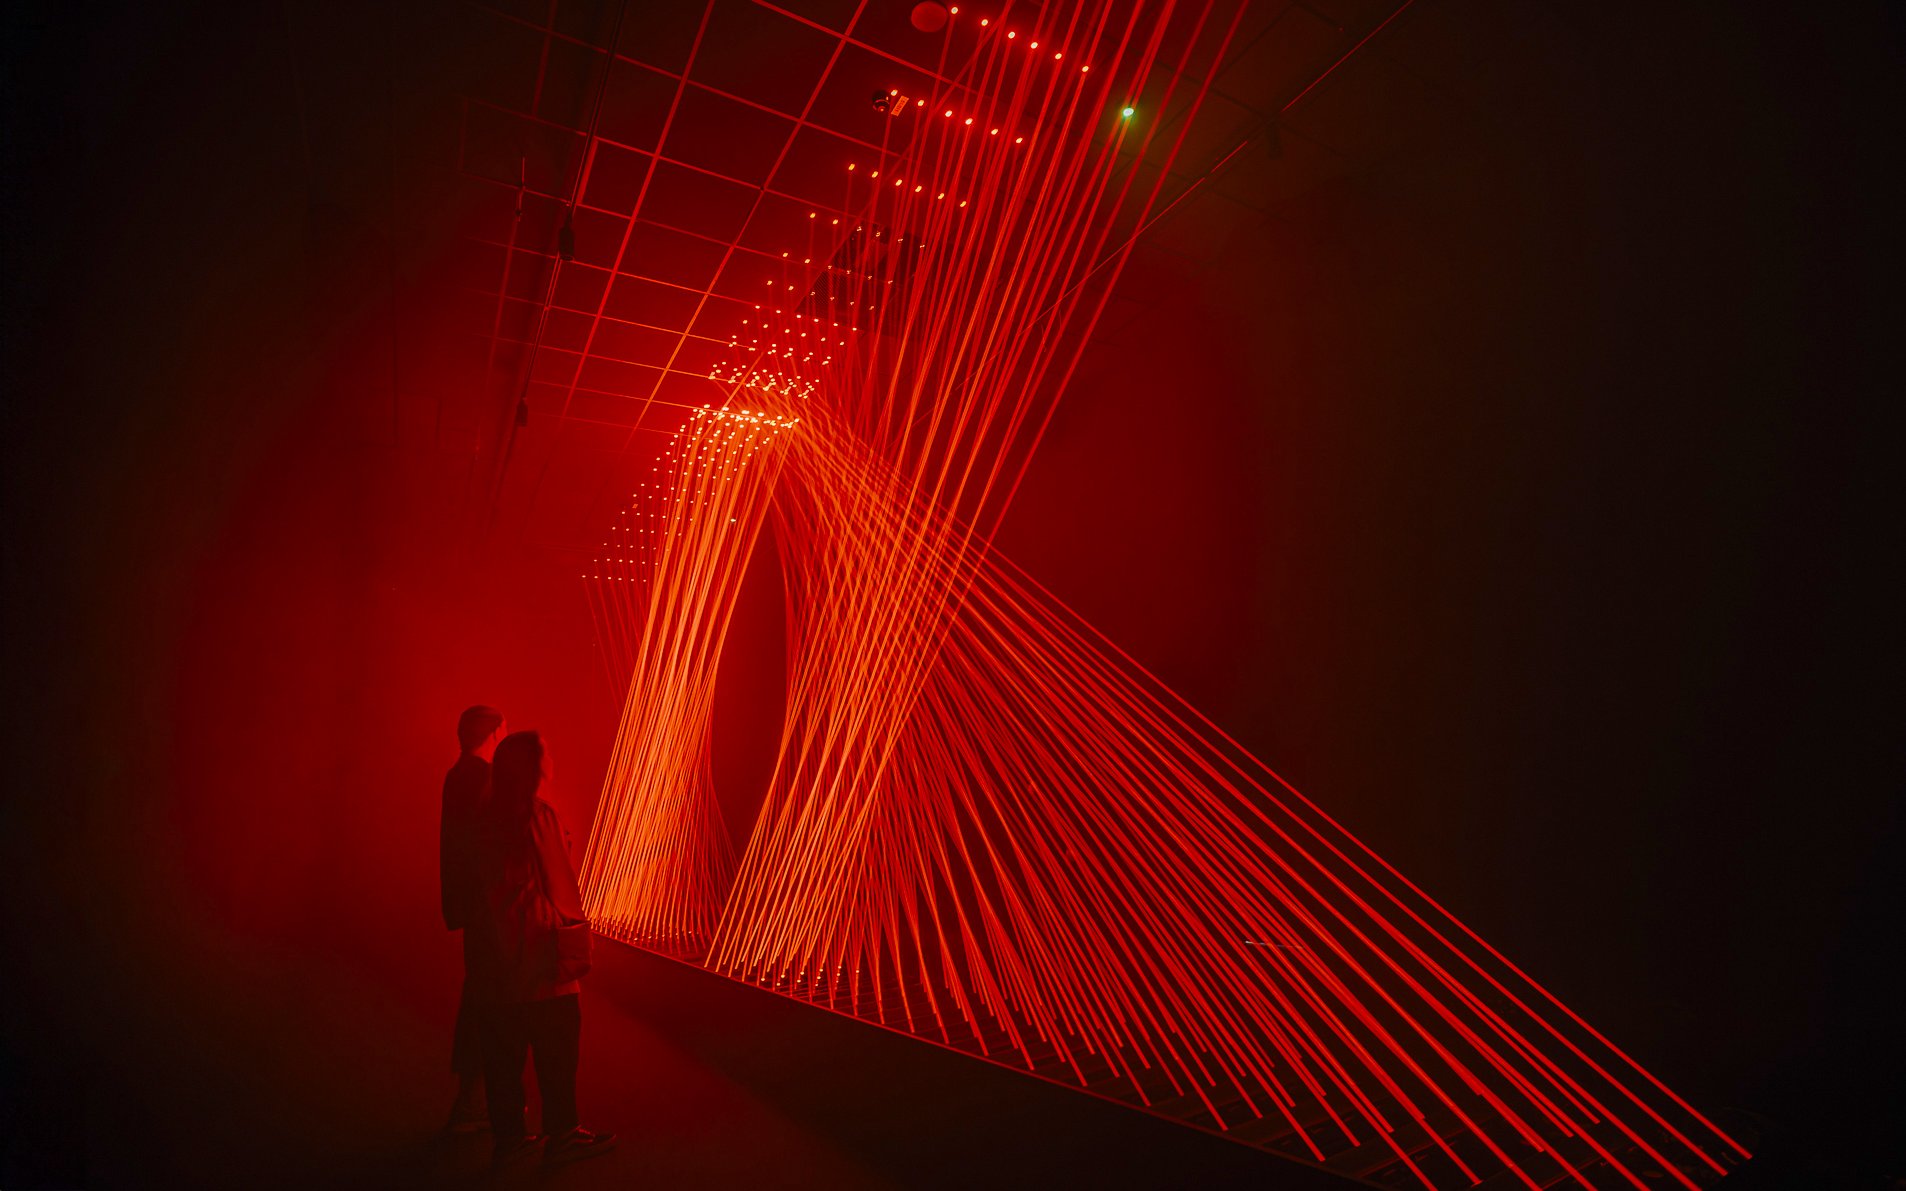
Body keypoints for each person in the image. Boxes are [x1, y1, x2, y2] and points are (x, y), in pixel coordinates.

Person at [468, 730, 615, 1167]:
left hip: (495, 959)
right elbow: (561, 883)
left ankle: (509, 1140)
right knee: (556, 1050)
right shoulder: (539, 815)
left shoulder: (483, 817)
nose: (552, 758)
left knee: (503, 1058)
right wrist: (575, 928)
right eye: (545, 753)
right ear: (534, 767)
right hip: (541, 953)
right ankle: (563, 1133)